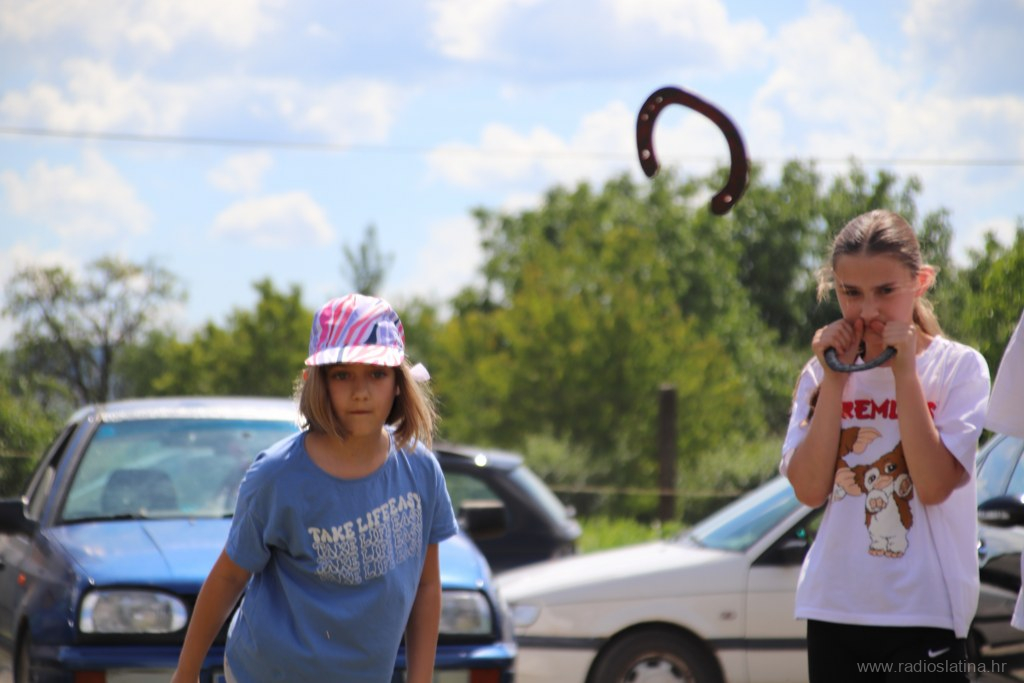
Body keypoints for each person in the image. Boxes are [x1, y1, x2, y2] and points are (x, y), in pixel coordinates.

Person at [171, 293, 458, 683]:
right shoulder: (277, 475)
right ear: (317, 383)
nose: (360, 391)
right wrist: (186, 673)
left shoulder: (420, 469)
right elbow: (229, 577)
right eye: (342, 375)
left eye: (376, 373)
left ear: (398, 383)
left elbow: (426, 585)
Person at [780, 209, 990, 682]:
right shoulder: (820, 371)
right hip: (833, 608)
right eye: (851, 293)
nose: (868, 310)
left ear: (921, 282)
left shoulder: (958, 368)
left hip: (924, 612)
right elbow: (809, 490)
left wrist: (904, 373)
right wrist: (836, 379)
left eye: (885, 291)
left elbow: (933, 486)